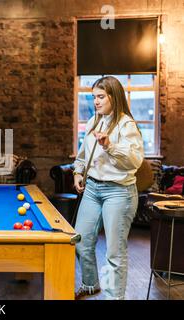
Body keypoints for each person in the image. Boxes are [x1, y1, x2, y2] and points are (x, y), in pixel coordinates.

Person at [73, 76, 144, 300]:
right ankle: (90, 283)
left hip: (119, 192)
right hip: (92, 189)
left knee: (115, 253)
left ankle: (115, 297)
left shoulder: (127, 124)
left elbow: (134, 161)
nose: (96, 101)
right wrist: (78, 170)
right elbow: (84, 153)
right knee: (80, 240)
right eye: (94, 97)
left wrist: (110, 145)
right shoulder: (96, 119)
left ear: (114, 96)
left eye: (101, 96)